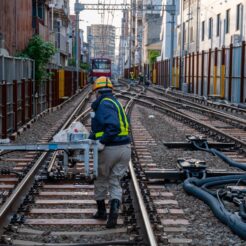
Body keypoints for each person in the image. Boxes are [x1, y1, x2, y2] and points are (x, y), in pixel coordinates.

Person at [89, 76, 131, 228]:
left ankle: (101, 212)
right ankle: (113, 214)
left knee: (101, 179)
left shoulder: (104, 104)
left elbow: (112, 127)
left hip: (110, 149)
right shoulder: (114, 102)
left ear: (97, 92)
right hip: (125, 149)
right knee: (115, 181)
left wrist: (102, 141)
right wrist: (92, 136)